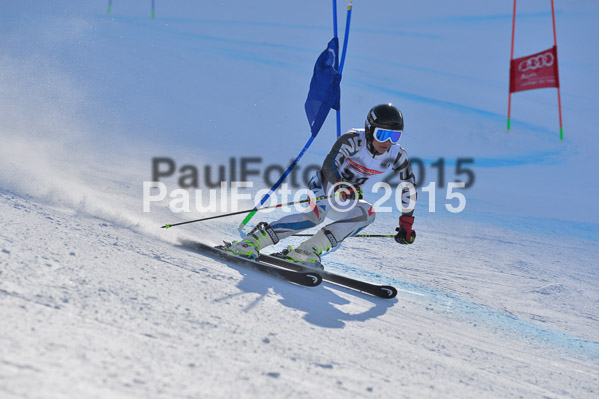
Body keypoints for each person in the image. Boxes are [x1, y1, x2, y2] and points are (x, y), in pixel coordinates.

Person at [228, 103, 417, 269]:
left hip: (346, 197)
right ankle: (251, 242)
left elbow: (408, 185)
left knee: (367, 213)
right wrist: (342, 185)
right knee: (315, 216)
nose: (387, 142)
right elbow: (329, 164)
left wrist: (406, 222)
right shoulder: (353, 140)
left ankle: (306, 252)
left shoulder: (397, 154)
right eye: (382, 134)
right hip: (324, 185)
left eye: (394, 135)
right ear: (369, 129)